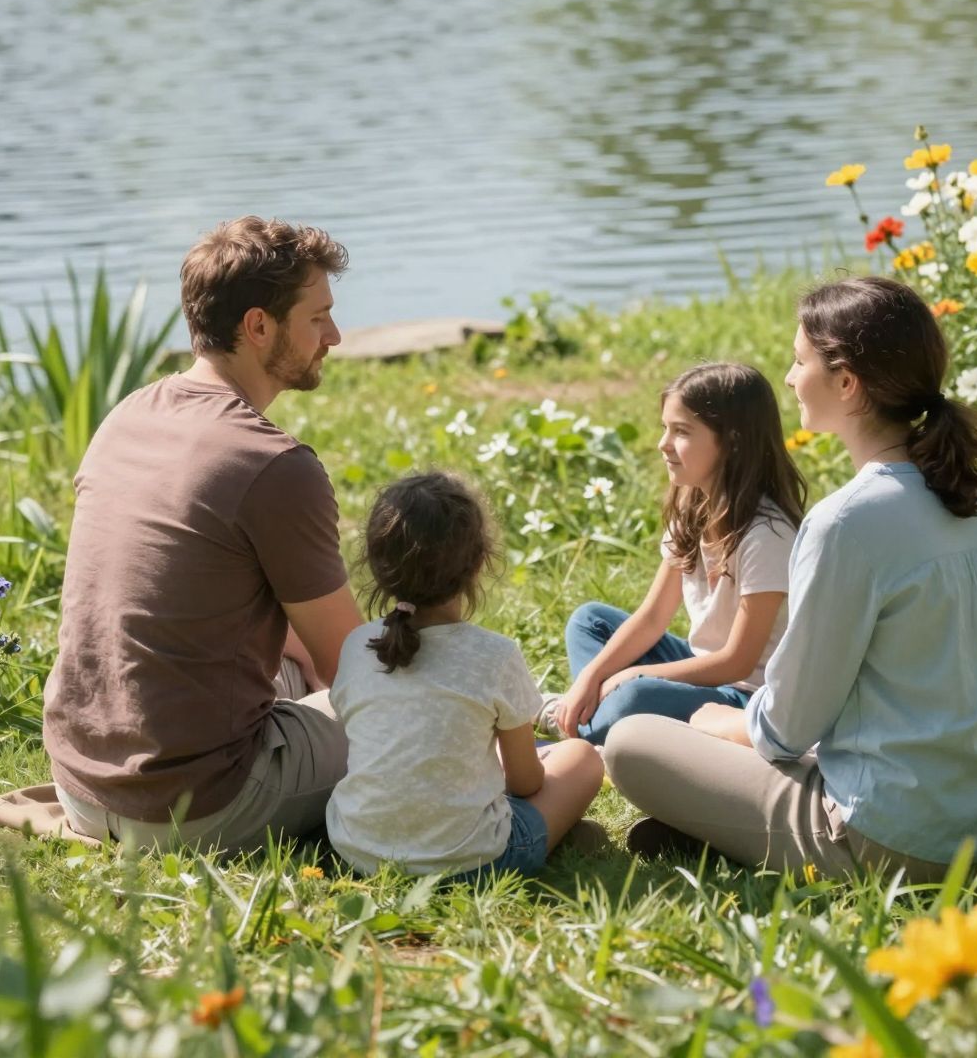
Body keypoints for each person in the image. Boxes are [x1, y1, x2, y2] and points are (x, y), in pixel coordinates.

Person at [605, 278, 977, 881]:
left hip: (895, 840)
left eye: (800, 360)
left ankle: (718, 827)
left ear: (846, 383)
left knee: (631, 742)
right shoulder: (973, 493)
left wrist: (713, 723)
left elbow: (786, 727)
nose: (787, 377)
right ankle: (710, 826)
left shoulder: (846, 521)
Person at [44, 216, 361, 853]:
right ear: (258, 326)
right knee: (418, 714)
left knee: (298, 668)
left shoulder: (128, 416)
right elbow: (351, 666)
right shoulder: (274, 465)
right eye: (318, 316)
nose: (334, 334)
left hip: (82, 784)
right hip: (196, 805)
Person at [327, 472, 603, 878]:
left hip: (359, 852)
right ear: (478, 563)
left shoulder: (356, 645)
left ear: (378, 565)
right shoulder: (494, 656)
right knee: (581, 758)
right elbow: (526, 784)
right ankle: (555, 837)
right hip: (473, 862)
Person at [542, 363, 804, 745]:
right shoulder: (692, 508)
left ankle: (577, 720)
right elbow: (651, 619)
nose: (663, 444)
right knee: (589, 622)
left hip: (744, 697)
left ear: (732, 440)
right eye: (665, 428)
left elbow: (737, 661)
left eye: (681, 431)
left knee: (634, 695)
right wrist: (592, 676)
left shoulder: (767, 535)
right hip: (701, 666)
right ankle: (588, 715)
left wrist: (637, 676)